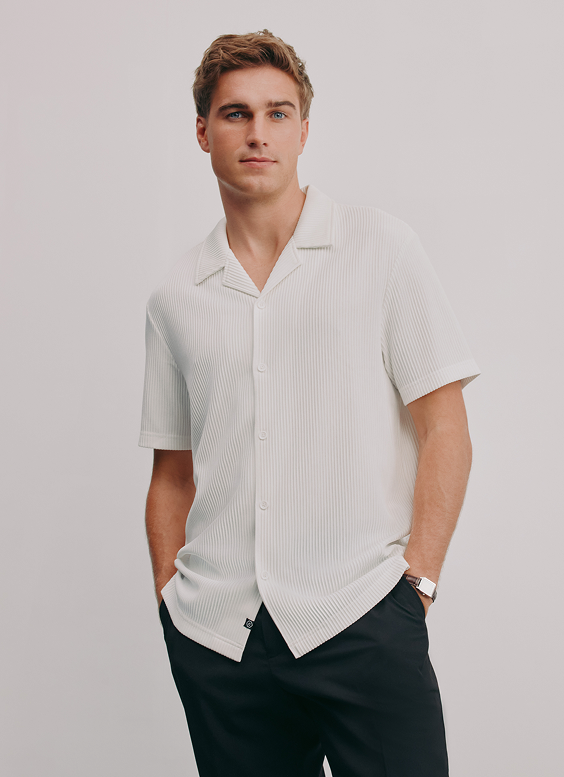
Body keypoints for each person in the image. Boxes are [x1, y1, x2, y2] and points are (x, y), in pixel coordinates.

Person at [138, 29, 480, 777]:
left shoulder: (381, 248)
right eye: (234, 114)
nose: (258, 132)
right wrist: (173, 603)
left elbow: (445, 426)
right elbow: (172, 471)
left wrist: (415, 585)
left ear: (303, 128)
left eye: (277, 112)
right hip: (220, 638)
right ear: (202, 131)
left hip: (362, 616)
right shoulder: (175, 296)